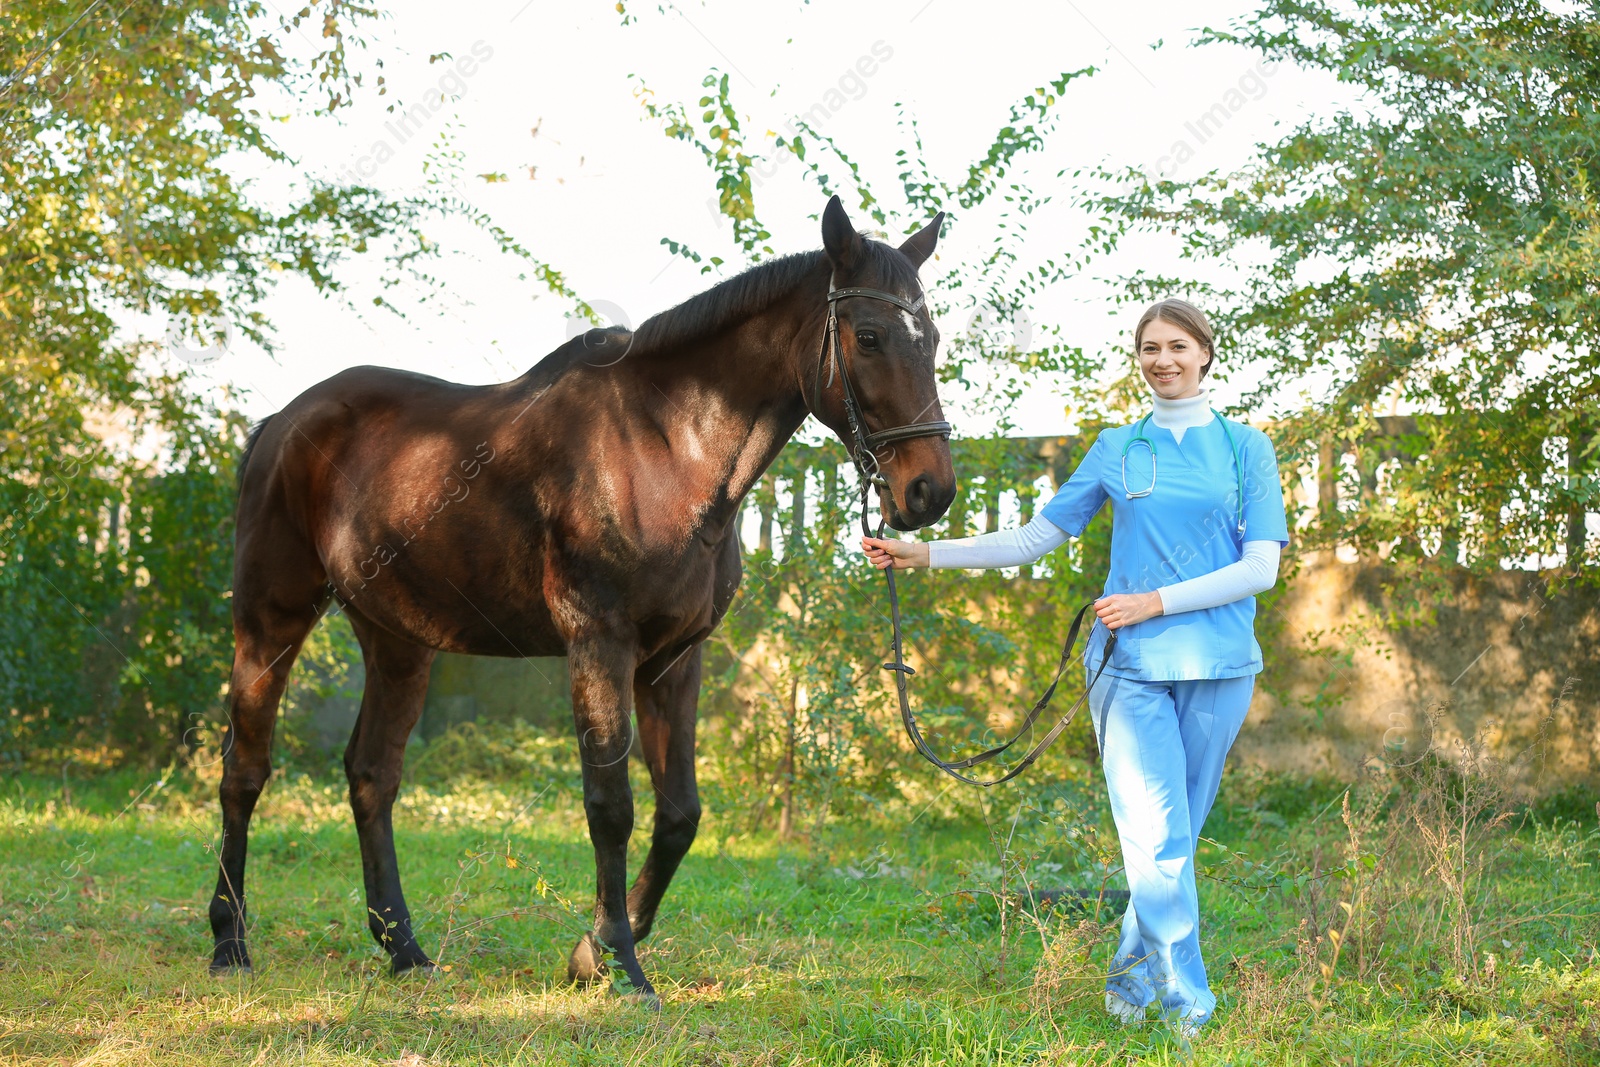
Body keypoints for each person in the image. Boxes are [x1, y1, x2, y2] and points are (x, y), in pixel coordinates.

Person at [862, 298, 1289, 1038]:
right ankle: (1188, 1007)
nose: (1163, 359)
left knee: (1173, 844)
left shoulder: (1247, 447)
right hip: (1129, 669)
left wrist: (1156, 599)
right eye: (1150, 347)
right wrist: (926, 551)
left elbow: (1261, 567)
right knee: (1156, 841)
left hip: (1220, 664)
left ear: (1206, 354)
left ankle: (1127, 988)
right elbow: (1034, 538)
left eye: (1178, 345)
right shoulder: (1118, 446)